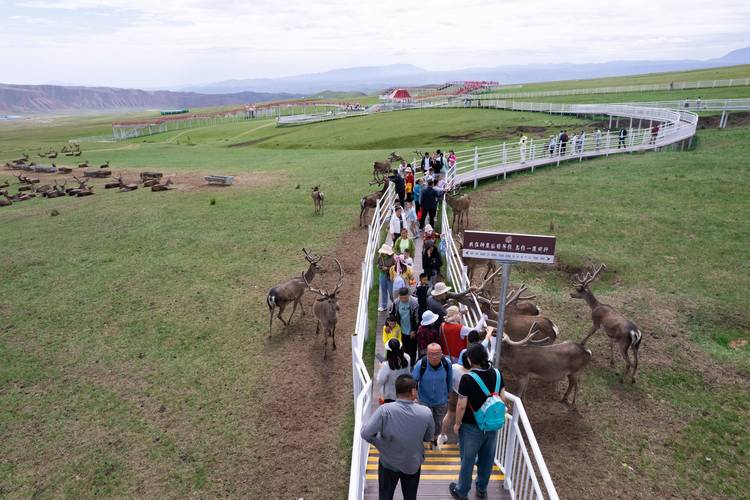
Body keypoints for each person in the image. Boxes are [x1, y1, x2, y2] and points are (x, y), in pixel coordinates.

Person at [449, 344, 510, 500]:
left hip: (471, 426)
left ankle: (462, 491)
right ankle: (482, 488)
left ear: (470, 359)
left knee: (468, 460)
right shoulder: (497, 373)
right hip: (492, 425)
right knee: (487, 459)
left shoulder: (467, 378)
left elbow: (461, 405)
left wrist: (457, 424)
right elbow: (502, 398)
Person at [361, 374, 434, 500]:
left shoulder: (384, 410)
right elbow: (428, 437)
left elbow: (365, 433)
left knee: (385, 496)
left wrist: (381, 443)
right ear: (412, 391)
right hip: (412, 464)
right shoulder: (426, 412)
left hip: (388, 463)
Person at [412, 342, 452, 448]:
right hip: (424, 399)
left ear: (441, 354)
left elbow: (449, 379)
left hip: (441, 400)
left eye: (437, 354)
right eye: (431, 354)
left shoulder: (446, 363)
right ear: (427, 354)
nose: (434, 357)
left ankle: (435, 438)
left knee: (439, 422)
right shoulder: (421, 364)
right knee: (426, 421)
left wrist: (449, 394)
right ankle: (426, 439)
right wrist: (414, 397)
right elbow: (413, 381)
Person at [437, 349, 470, 449]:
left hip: (454, 394)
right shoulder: (473, 373)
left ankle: (442, 436)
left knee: (449, 415)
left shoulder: (455, 367)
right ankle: (461, 441)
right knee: (464, 419)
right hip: (467, 397)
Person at [377, 339, 412, 404]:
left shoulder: (386, 365)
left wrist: (381, 368)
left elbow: (380, 381)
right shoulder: (407, 358)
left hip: (391, 396)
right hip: (404, 393)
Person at [390, 287, 419, 364]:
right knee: (403, 348)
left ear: (409, 295)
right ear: (399, 296)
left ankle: (412, 364)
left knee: (412, 350)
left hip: (411, 332)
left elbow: (417, 318)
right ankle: (404, 364)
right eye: (401, 297)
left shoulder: (414, 303)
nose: (403, 299)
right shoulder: (396, 303)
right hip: (401, 331)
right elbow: (392, 315)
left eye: (405, 297)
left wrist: (414, 330)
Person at [377, 244, 395, 312]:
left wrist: (387, 268)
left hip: (390, 276)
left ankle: (394, 304)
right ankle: (384, 306)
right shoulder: (380, 257)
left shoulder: (392, 258)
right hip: (382, 275)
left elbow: (395, 267)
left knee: (391, 291)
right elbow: (378, 265)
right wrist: (381, 268)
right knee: (383, 291)